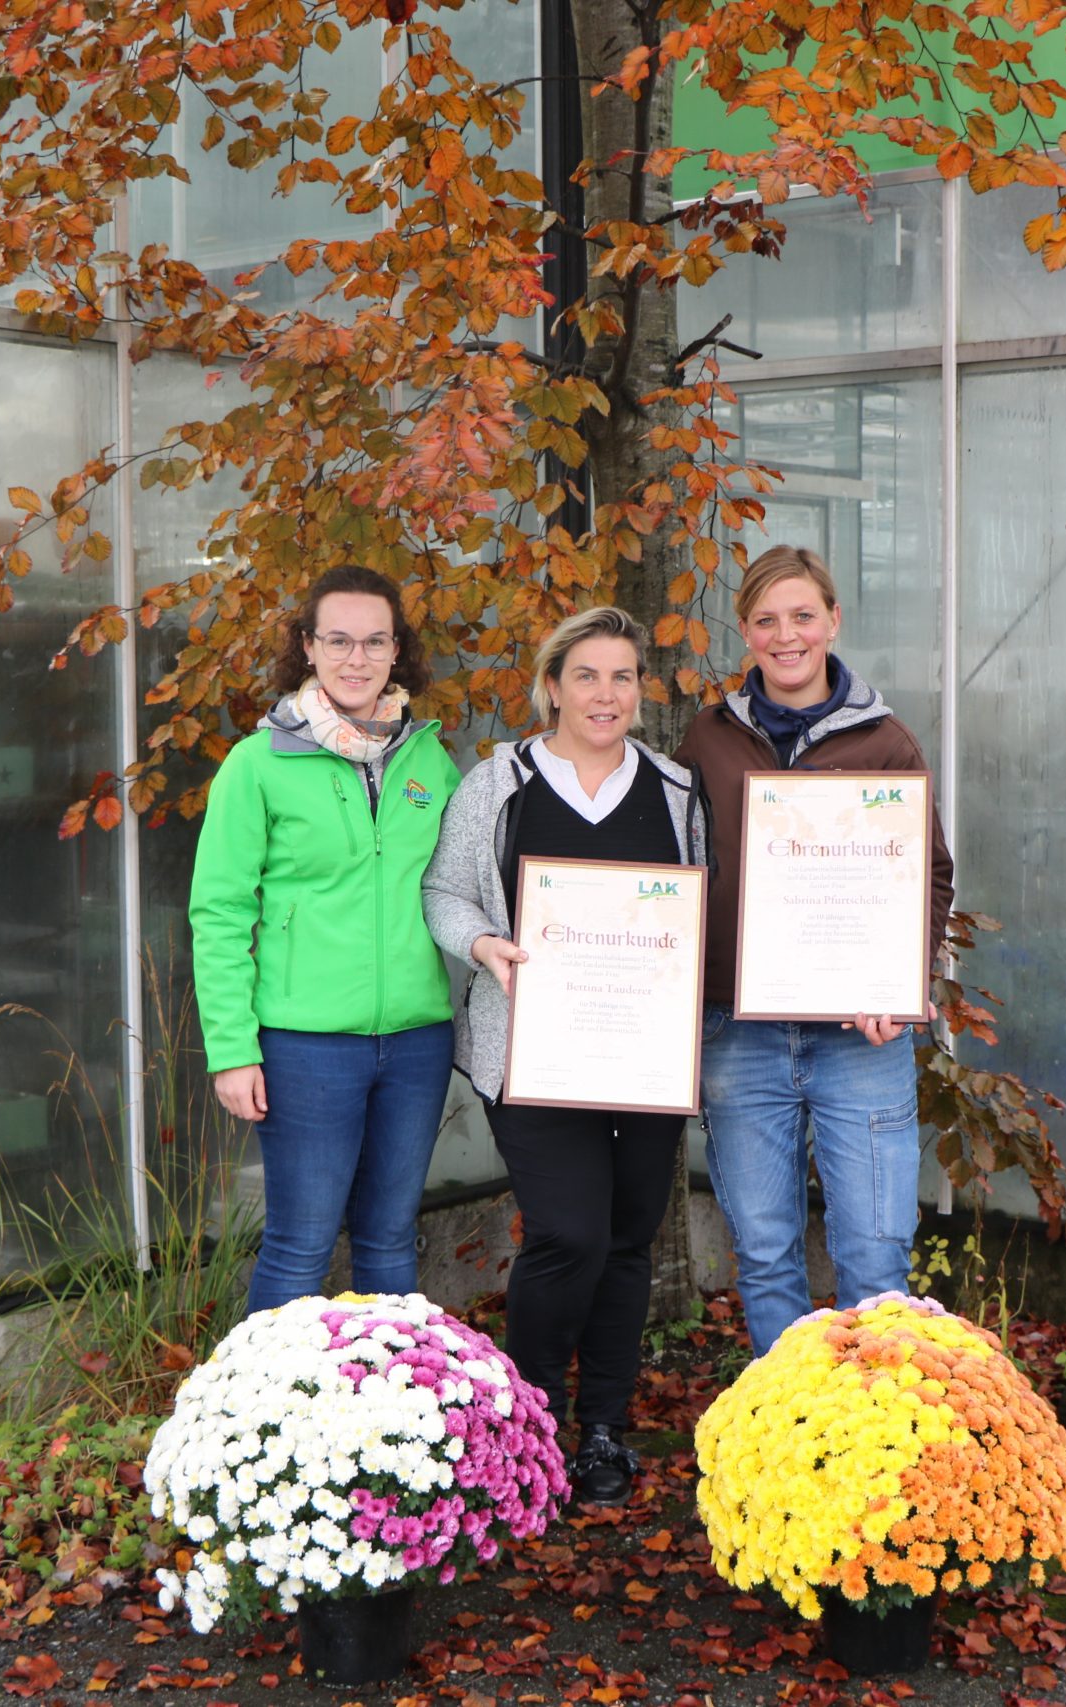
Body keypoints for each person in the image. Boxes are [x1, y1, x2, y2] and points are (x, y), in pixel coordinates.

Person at [423, 606, 710, 1506]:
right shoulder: (497, 784)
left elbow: (696, 907)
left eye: (622, 676)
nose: (605, 693)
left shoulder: (674, 788)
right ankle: (532, 1423)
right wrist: (483, 945)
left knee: (626, 1239)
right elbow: (443, 891)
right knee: (568, 1233)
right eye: (586, 675)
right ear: (552, 686)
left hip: (644, 1056)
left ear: (640, 690)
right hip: (533, 1054)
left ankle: (603, 1430)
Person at [675, 546, 955, 1356]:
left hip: (858, 1037)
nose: (786, 635)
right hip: (739, 1030)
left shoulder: (885, 741)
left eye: (803, 615)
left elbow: (929, 875)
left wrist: (900, 978)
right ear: (745, 631)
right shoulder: (710, 738)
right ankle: (790, 1420)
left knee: (874, 1257)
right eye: (766, 619)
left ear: (834, 620)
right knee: (766, 1255)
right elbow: (683, 868)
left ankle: (873, 1426)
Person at [190, 566, 463, 1312]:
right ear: (307, 646)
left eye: (375, 641)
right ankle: (264, 1394)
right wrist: (232, 1048)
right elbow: (219, 912)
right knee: (301, 1243)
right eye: (338, 640)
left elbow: (464, 882)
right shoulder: (258, 764)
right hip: (305, 1045)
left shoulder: (427, 759)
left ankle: (392, 1390)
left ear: (397, 650)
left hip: (416, 1039)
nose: (356, 658)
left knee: (390, 1239)